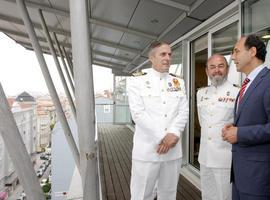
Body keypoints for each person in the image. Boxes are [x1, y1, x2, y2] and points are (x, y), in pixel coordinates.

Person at [127, 41, 188, 200]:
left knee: (168, 194)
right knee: (142, 195)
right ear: (151, 57)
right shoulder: (136, 81)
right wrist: (163, 138)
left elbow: (183, 111)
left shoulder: (178, 82)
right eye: (163, 54)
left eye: (169, 54)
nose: (167, 58)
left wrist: (173, 134)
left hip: (172, 151)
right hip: (147, 151)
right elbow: (138, 113)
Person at [222, 34, 270, 200]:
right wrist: (234, 128)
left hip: (258, 178)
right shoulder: (248, 83)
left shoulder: (268, 81)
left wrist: (239, 133)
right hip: (240, 176)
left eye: (236, 51)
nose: (233, 57)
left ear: (252, 52)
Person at [197, 54, 239, 200]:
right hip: (204, 156)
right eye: (212, 67)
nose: (217, 70)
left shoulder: (237, 92)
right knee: (207, 195)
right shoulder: (201, 93)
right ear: (207, 71)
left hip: (224, 157)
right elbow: (203, 123)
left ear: (227, 69)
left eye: (221, 66)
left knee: (224, 197)